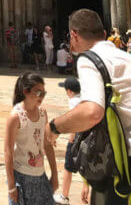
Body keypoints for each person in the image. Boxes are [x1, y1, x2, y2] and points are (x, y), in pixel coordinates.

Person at [46, 8, 131, 204]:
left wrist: (54, 127)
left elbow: (92, 112)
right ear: (105, 34)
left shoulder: (89, 58)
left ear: (73, 35)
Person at [5, 71, 58, 204]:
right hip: (21, 178)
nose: (42, 97)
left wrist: (55, 175)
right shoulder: (15, 117)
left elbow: (47, 144)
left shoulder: (42, 114)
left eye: (43, 93)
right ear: (25, 92)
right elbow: (8, 151)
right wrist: (12, 186)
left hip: (40, 176)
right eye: (38, 92)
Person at [53, 76, 81, 205]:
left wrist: (72, 139)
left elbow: (74, 121)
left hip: (77, 139)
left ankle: (64, 196)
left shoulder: (73, 101)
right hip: (88, 139)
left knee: (68, 168)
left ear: (69, 91)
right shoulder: (83, 99)